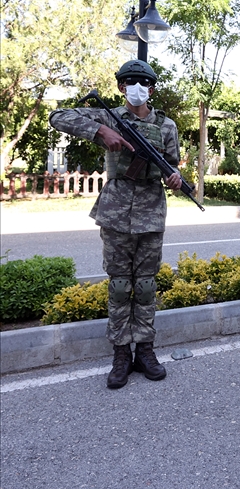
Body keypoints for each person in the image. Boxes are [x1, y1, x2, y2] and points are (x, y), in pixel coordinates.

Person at [48, 60, 182, 389]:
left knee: (147, 286)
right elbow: (58, 117)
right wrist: (100, 130)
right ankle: (121, 353)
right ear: (122, 87)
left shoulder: (167, 126)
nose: (138, 87)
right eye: (130, 82)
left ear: (152, 88)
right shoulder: (109, 116)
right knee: (120, 287)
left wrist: (176, 178)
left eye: (144, 82)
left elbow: (172, 165)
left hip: (151, 212)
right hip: (116, 211)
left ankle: (145, 351)